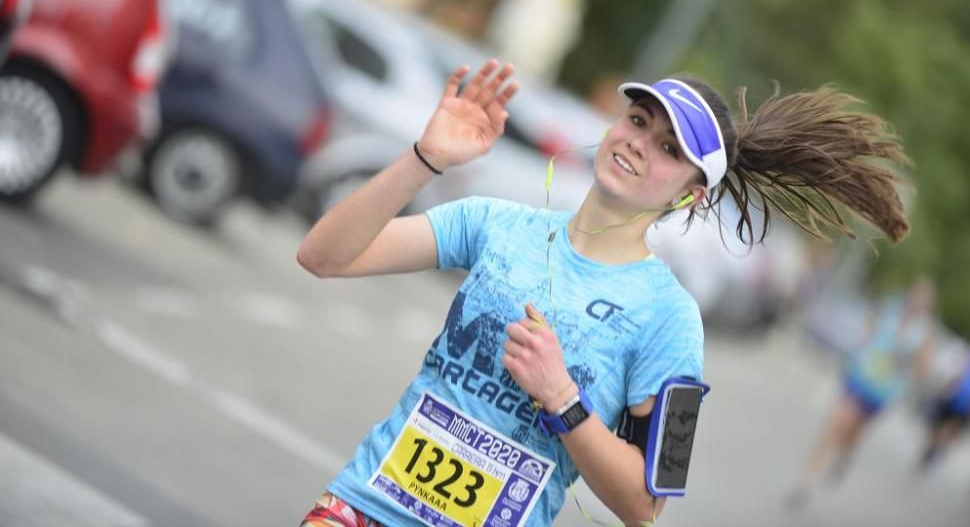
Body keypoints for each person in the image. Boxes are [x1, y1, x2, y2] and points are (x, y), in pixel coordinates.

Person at [297, 59, 912, 527]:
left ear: (690, 195)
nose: (640, 144)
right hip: (362, 507)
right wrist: (426, 158)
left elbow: (648, 503)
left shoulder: (672, 320)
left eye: (670, 149)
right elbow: (322, 256)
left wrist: (562, 397)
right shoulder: (493, 222)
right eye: (639, 121)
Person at [787, 277, 937, 506]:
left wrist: (906, 371)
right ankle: (806, 481)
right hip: (860, 376)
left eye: (923, 299)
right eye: (916, 295)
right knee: (836, 424)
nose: (917, 301)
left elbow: (922, 368)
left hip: (881, 391)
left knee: (853, 433)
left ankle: (845, 456)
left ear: (928, 305)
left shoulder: (924, 332)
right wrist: (866, 345)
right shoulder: (891, 310)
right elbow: (869, 328)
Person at [919, 332, 970, 471]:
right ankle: (933, 447)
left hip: (969, 407)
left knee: (950, 431)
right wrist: (947, 386)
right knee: (936, 427)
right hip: (953, 397)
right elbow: (957, 370)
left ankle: (937, 449)